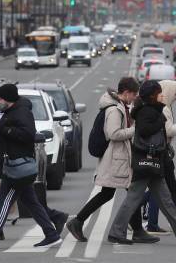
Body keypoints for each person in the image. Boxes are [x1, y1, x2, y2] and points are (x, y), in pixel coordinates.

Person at [0, 84, 62, 250]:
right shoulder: (11, 112)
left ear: (8, 100)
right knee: (31, 203)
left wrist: (7, 130)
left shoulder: (21, 112)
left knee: (3, 201)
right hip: (13, 167)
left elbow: (28, 135)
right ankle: (51, 234)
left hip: (18, 168)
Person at [107, 81, 176, 245]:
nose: (162, 95)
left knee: (165, 200)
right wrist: (160, 121)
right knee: (133, 198)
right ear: (152, 95)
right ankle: (116, 232)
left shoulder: (152, 109)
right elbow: (143, 131)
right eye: (159, 93)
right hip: (146, 160)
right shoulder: (147, 111)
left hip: (154, 160)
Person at [66, 77, 153, 242]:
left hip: (117, 156)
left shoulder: (119, 106)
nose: (135, 98)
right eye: (134, 94)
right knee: (130, 193)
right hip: (116, 157)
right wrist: (134, 129)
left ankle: (78, 222)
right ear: (126, 93)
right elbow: (113, 134)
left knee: (114, 193)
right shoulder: (114, 110)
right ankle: (136, 231)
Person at [144, 80, 176, 235]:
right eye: (175, 93)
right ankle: (171, 222)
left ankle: (157, 221)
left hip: (161, 152)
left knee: (164, 187)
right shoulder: (165, 109)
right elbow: (168, 131)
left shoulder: (164, 107)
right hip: (161, 153)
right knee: (166, 188)